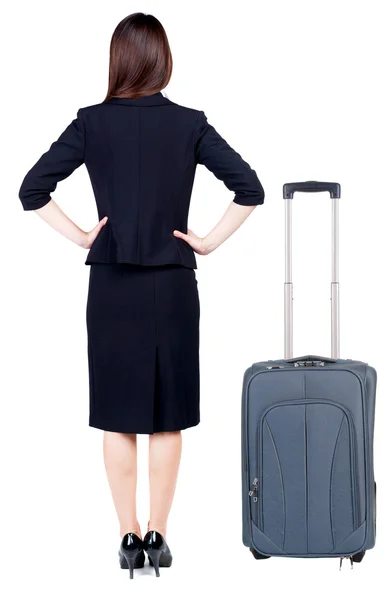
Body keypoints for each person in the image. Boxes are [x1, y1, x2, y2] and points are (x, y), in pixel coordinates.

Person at [18, 12, 264, 579]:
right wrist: (205, 242)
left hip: (110, 285)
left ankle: (127, 537)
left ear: (118, 59)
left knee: (119, 417)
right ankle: (159, 534)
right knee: (167, 416)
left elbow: (32, 188)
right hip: (173, 282)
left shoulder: (91, 122)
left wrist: (84, 235)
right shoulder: (188, 124)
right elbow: (249, 187)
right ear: (162, 59)